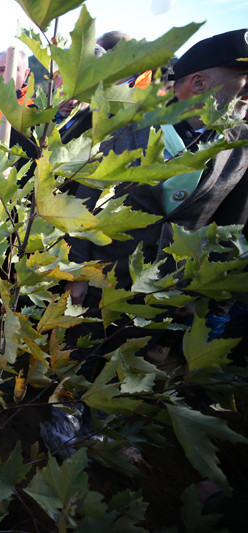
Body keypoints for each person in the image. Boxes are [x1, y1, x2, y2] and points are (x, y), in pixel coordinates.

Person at [66, 28, 248, 366]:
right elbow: (84, 198)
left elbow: (230, 229)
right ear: (199, 83)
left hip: (168, 299)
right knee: (78, 369)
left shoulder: (241, 144)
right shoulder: (124, 121)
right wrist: (74, 273)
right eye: (243, 80)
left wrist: (207, 298)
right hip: (99, 286)